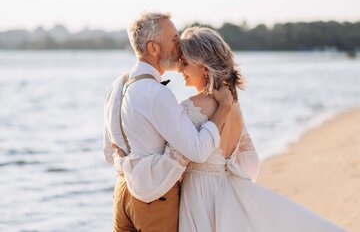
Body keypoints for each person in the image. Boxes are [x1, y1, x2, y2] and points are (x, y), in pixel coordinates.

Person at [113, 26, 346, 232]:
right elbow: (251, 163)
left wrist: (126, 161)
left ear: (202, 66)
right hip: (226, 194)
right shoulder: (233, 106)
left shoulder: (189, 108)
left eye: (185, 62)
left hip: (199, 198)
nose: (180, 69)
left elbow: (166, 158)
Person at [103, 12, 233, 232]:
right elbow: (198, 151)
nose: (180, 45)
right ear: (153, 48)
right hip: (154, 200)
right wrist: (223, 110)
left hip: (122, 194)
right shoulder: (157, 94)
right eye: (174, 39)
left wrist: (130, 163)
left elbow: (109, 153)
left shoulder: (117, 86)